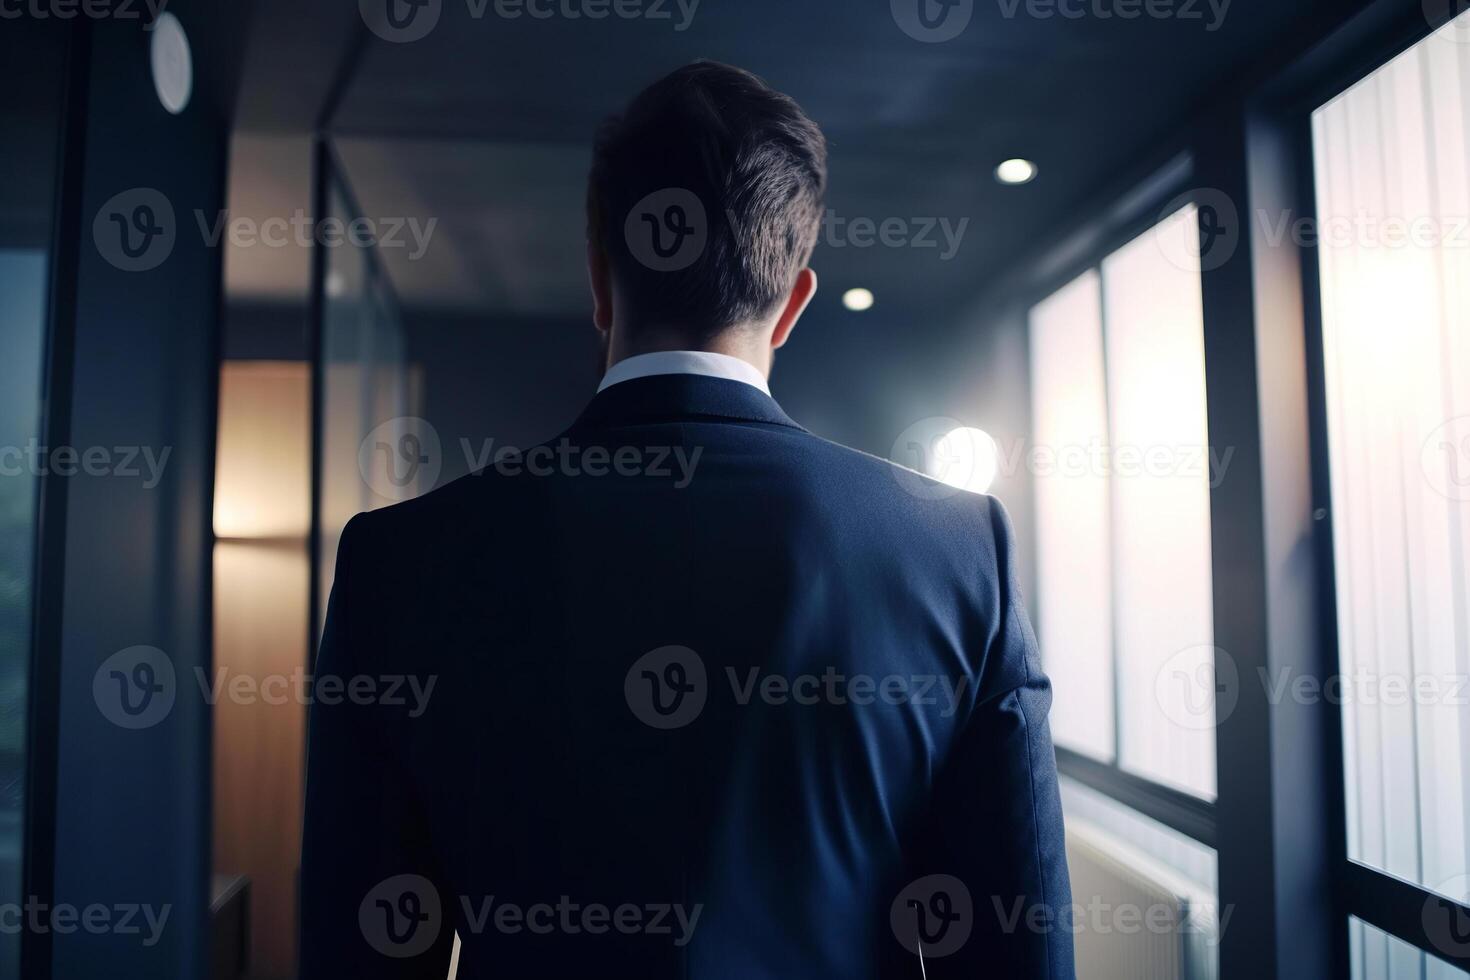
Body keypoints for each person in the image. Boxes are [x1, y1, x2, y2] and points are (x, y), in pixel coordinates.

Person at [301, 60, 1073, 979]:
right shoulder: (958, 554)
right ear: (792, 305)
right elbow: (1020, 951)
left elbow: (360, 952)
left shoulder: (399, 560)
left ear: (600, 277)